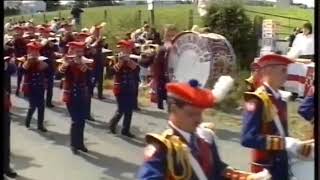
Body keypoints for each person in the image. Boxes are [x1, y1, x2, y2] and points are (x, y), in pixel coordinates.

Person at [138, 77, 273, 179]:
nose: (199, 120)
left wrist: (247, 177)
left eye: (200, 113)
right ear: (174, 109)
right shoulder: (162, 148)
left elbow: (218, 169)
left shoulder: (205, 138)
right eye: (192, 114)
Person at [241, 54, 314, 180]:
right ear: (269, 70)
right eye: (283, 70)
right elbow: (248, 138)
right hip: (265, 169)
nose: (287, 75)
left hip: (281, 165)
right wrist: (284, 143)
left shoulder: (281, 100)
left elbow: (281, 134)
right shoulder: (256, 99)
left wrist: (296, 146)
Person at [58, 41, 93, 154]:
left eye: (81, 51)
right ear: (72, 51)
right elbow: (58, 75)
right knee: (75, 120)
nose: (79, 53)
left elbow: (89, 77)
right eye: (77, 51)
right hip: (71, 95)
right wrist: (67, 63)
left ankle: (80, 143)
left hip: (82, 94)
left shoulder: (84, 62)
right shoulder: (67, 62)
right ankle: (73, 144)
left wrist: (83, 65)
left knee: (82, 120)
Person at [108, 40, 138, 138]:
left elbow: (137, 70)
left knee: (129, 110)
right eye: (125, 48)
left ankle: (126, 130)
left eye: (128, 48)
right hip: (120, 87)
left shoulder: (132, 58)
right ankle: (112, 124)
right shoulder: (115, 58)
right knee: (121, 109)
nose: (127, 50)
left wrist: (129, 61)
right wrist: (120, 63)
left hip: (130, 86)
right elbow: (110, 73)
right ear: (121, 49)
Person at [22, 42, 49, 132]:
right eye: (33, 50)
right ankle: (28, 120)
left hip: (40, 85)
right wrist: (29, 61)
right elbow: (24, 69)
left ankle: (40, 125)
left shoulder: (41, 59)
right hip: (31, 86)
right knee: (32, 106)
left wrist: (39, 61)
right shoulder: (26, 59)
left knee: (41, 106)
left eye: (37, 51)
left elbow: (46, 67)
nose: (35, 52)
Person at [152, 24, 177, 110]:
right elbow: (157, 64)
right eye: (168, 35)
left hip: (174, 75)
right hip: (162, 74)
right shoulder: (162, 48)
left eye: (173, 35)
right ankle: (160, 104)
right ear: (165, 35)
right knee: (161, 90)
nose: (171, 38)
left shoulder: (177, 47)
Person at [3, 56, 18, 178]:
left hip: (4, 105)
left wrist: (8, 64)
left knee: (5, 139)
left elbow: (13, 70)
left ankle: (5, 167)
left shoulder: (6, 64)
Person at [85, 23, 107, 99]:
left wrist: (100, 40)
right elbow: (89, 48)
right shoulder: (89, 39)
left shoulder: (100, 38)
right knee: (93, 78)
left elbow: (103, 46)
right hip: (92, 60)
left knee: (100, 78)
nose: (98, 31)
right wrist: (97, 41)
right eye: (96, 30)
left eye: (99, 30)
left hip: (99, 59)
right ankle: (90, 92)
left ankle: (100, 94)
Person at [40, 37, 61, 108]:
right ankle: (41, 101)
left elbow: (56, 55)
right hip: (43, 71)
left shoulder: (53, 48)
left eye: (53, 41)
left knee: (50, 88)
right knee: (42, 87)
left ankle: (48, 102)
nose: (52, 43)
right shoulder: (42, 48)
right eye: (51, 41)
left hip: (51, 71)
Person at [12, 26, 28, 96]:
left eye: (20, 30)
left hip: (25, 58)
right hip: (18, 60)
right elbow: (12, 43)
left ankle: (25, 91)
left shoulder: (25, 39)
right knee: (19, 75)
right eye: (18, 31)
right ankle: (18, 89)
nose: (19, 32)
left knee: (26, 75)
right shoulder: (15, 40)